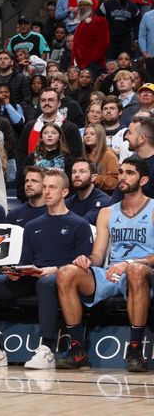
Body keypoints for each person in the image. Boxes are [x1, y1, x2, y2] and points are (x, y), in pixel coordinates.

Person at [0, 169, 92, 370]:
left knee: (46, 282)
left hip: (62, 279)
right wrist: (16, 273)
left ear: (64, 192)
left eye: (52, 187)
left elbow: (83, 266)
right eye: (44, 187)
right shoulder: (32, 225)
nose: (46, 192)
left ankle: (46, 348)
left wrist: (54, 270)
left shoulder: (79, 224)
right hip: (34, 277)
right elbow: (25, 261)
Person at [56, 158, 154, 372]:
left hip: (144, 271)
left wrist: (129, 263)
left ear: (143, 180)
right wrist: (86, 260)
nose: (122, 177)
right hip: (112, 272)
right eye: (120, 172)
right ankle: (76, 349)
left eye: (129, 173)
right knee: (66, 273)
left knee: (135, 270)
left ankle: (135, 350)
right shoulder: (107, 212)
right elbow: (98, 255)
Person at [65, 158, 112, 225]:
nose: (76, 175)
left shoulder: (102, 200)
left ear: (93, 177)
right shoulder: (70, 201)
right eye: (74, 172)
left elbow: (85, 223)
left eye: (82, 171)